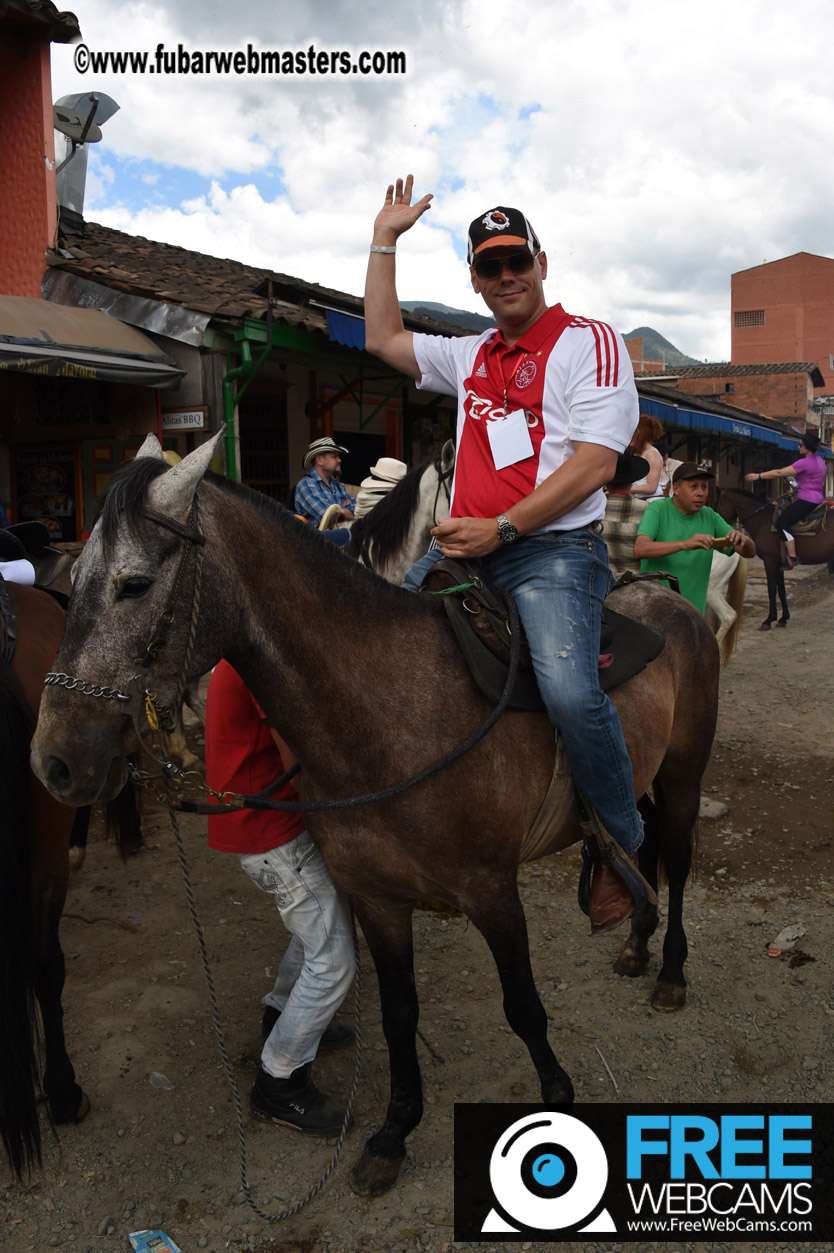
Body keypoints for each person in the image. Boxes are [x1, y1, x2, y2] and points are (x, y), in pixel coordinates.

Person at [364, 175, 650, 934]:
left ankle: (621, 842)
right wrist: (384, 240)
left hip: (552, 553)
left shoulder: (589, 342)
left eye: (515, 260)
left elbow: (592, 463)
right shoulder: (469, 354)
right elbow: (383, 339)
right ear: (474, 280)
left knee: (567, 692)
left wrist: (505, 529)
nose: (505, 277)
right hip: (468, 552)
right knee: (375, 654)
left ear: (541, 260)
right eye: (489, 268)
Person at [205, 660, 355, 1134]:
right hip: (271, 832)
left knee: (323, 926)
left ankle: (283, 1014)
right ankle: (279, 1083)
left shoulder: (238, 658)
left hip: (270, 825)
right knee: (333, 961)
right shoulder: (259, 665)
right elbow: (299, 765)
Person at [634, 462, 756, 613]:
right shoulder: (658, 509)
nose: (701, 493)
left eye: (704, 487)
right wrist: (684, 544)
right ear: (676, 488)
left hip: (693, 616)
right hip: (654, 609)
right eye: (694, 487)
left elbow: (749, 552)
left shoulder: (710, 516)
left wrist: (744, 541)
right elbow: (641, 548)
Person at [744, 431, 827, 568]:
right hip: (818, 499)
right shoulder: (820, 461)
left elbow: (779, 473)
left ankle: (793, 557)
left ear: (806, 447)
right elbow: (813, 481)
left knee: (782, 522)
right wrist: (797, 485)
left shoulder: (804, 462)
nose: (799, 447)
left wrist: (758, 476)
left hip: (806, 500)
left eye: (800, 445)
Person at [602, 454, 650, 575]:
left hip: (602, 579)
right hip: (637, 581)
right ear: (632, 480)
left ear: (606, 482)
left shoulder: (594, 508)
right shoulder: (647, 509)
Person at [294, 437, 357, 526]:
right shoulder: (306, 485)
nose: (339, 460)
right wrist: (346, 510)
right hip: (317, 539)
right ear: (319, 460)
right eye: (334, 456)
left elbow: (358, 510)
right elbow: (329, 518)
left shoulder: (337, 485)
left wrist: (339, 512)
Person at [629, 415, 665, 500]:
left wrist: (625, 488)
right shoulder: (638, 453)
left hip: (650, 502)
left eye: (634, 432)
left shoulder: (651, 454)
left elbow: (651, 487)